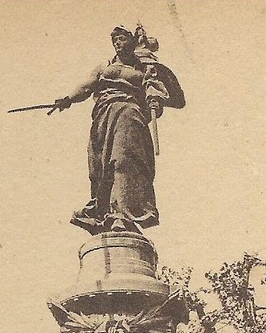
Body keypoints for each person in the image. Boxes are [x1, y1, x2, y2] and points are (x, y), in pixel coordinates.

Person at [50, 26, 185, 234]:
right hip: (103, 116)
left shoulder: (143, 68)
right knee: (99, 167)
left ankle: (121, 214)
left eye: (121, 39)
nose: (117, 44)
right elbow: (86, 87)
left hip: (129, 113)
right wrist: (67, 99)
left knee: (123, 160)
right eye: (114, 41)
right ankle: (102, 212)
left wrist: (156, 99)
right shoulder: (104, 67)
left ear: (131, 42)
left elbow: (164, 94)